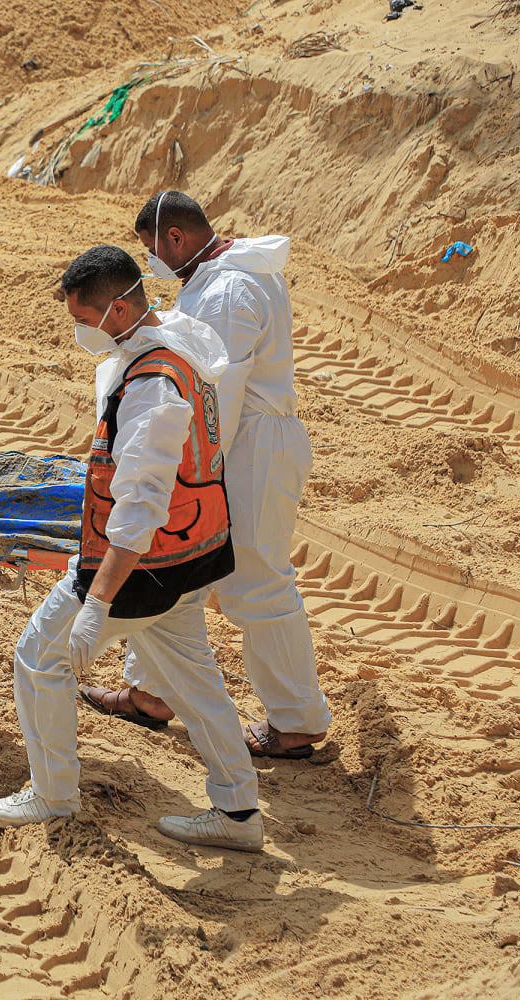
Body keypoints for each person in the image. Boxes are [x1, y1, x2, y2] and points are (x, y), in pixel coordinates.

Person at [0, 245, 265, 852]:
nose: (81, 333)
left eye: (84, 321)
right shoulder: (178, 340)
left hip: (146, 562)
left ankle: (53, 794)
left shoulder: (152, 385)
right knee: (193, 679)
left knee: (38, 657)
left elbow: (141, 505)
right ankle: (239, 812)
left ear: (116, 308)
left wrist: (98, 601)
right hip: (195, 550)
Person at [79, 191, 331, 760]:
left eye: (151, 249)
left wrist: (174, 456)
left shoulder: (228, 289)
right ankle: (150, 693)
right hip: (242, 441)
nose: (152, 263)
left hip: (252, 447)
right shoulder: (229, 272)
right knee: (181, 555)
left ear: (175, 238)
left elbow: (214, 386)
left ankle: (295, 721)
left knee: (256, 582)